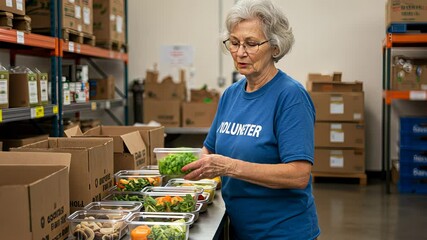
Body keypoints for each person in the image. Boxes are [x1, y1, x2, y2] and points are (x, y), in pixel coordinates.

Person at [182, 0, 320, 239]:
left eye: (251, 44)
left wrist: (229, 167)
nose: (240, 52)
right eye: (234, 43)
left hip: (283, 232)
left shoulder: (290, 97)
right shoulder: (231, 95)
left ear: (275, 47)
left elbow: (298, 175)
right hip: (238, 229)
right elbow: (210, 150)